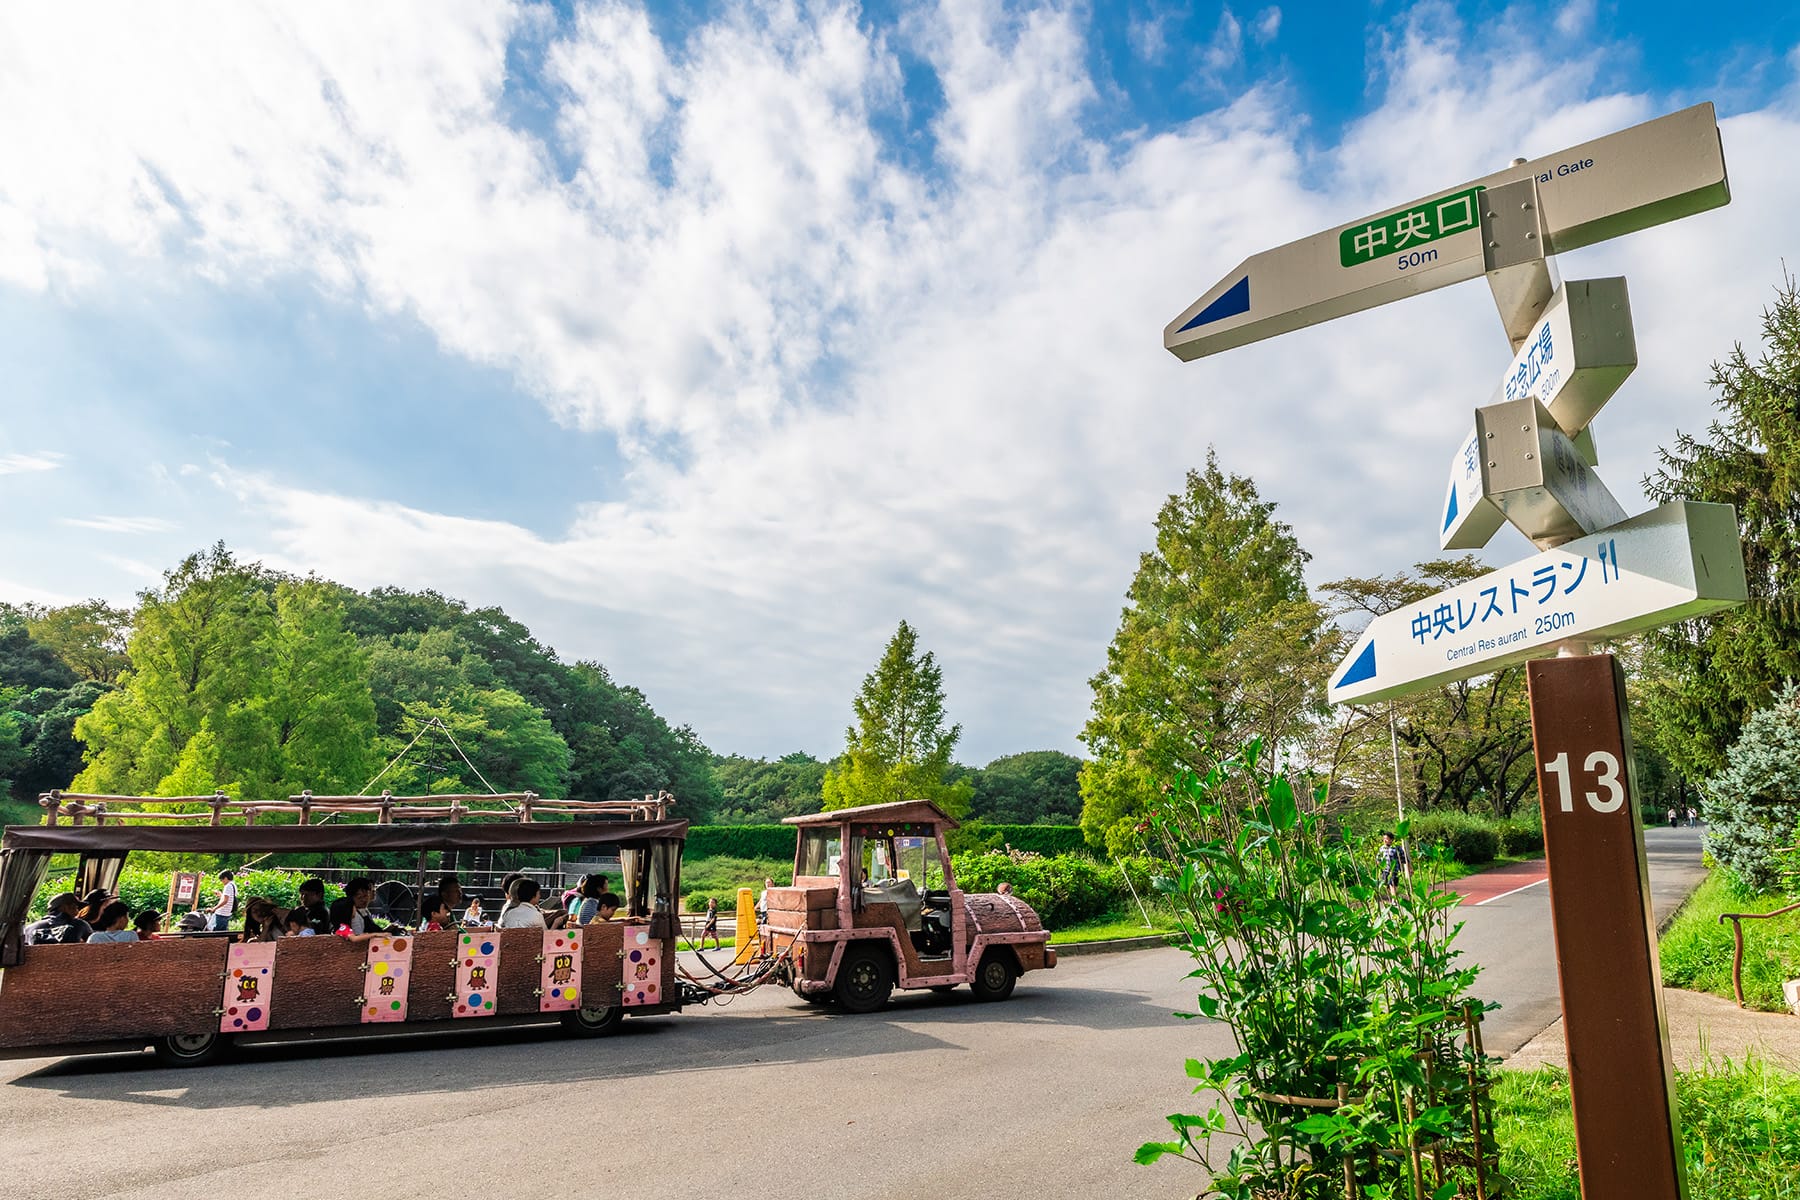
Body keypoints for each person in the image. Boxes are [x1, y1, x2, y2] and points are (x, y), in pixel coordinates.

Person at [329, 877, 395, 936]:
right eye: (359, 897)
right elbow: (357, 937)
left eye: (366, 896)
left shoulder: (363, 911)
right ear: (351, 898)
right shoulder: (350, 914)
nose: (364, 900)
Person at [24, 892, 93, 945]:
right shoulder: (79, 924)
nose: (77, 912)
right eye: (76, 907)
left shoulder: (29, 928)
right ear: (65, 907)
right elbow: (94, 944)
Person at [1377, 832, 1409, 898]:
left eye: (1387, 839)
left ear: (1391, 840)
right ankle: (1392, 897)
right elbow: (1378, 858)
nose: (1385, 840)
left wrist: (1409, 868)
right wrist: (1379, 867)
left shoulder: (1396, 848)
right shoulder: (1382, 848)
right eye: (1384, 839)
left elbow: (1404, 858)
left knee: (1393, 884)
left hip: (1394, 869)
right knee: (1386, 885)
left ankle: (1394, 900)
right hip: (1385, 870)